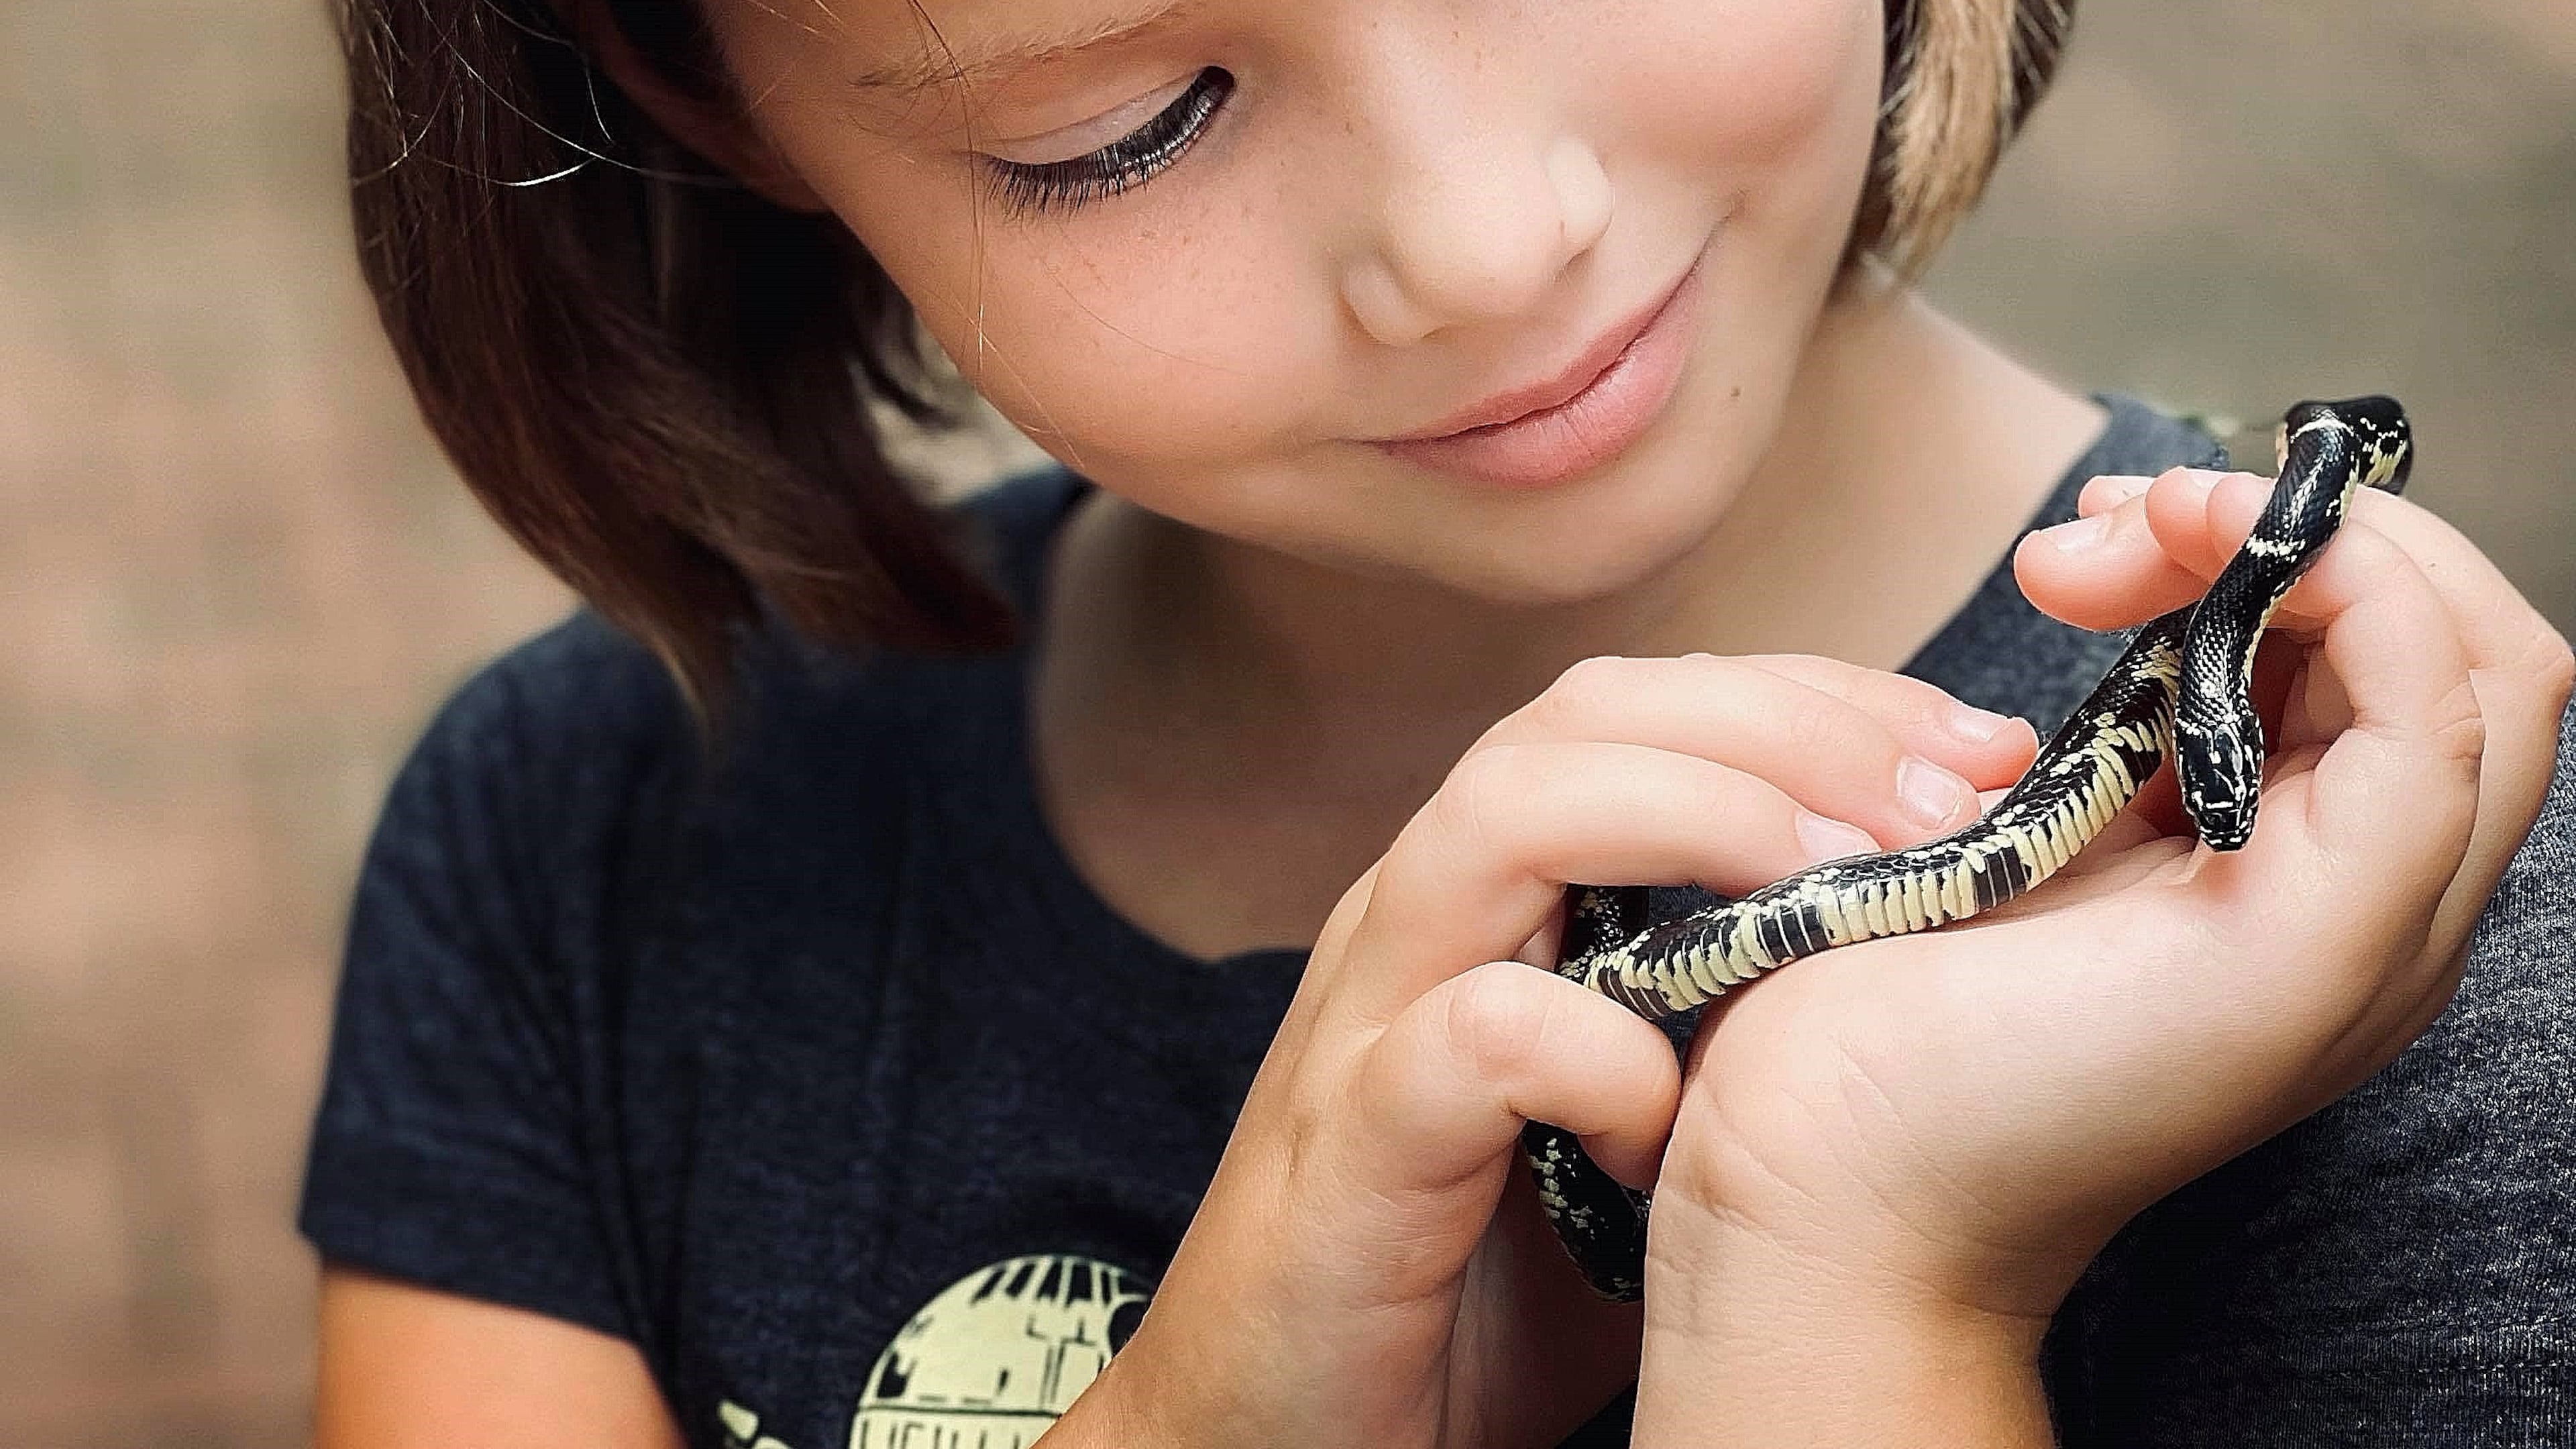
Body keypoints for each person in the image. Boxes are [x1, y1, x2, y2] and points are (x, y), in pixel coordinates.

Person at [297, 0, 2576, 1444]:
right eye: (1128, 123)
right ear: (700, 87)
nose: (1491, 247)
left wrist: (1856, 1285)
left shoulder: (2430, 938)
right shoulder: (587, 841)